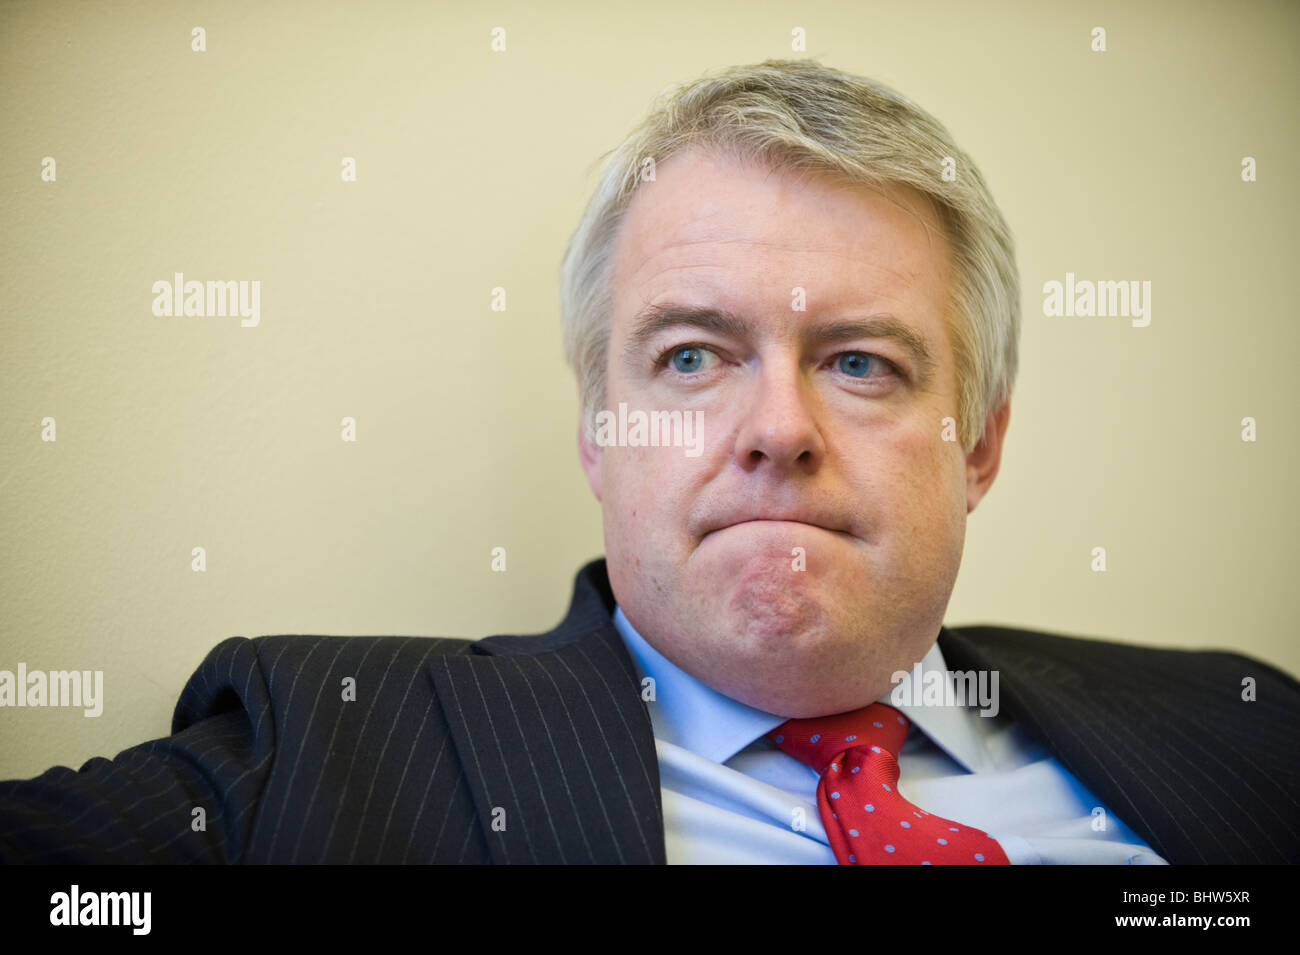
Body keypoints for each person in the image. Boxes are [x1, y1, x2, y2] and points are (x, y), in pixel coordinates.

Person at [1, 59, 1296, 865]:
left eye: (861, 363)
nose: (779, 428)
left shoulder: (1250, 732)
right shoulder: (320, 752)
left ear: (982, 445)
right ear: (595, 436)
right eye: (690, 357)